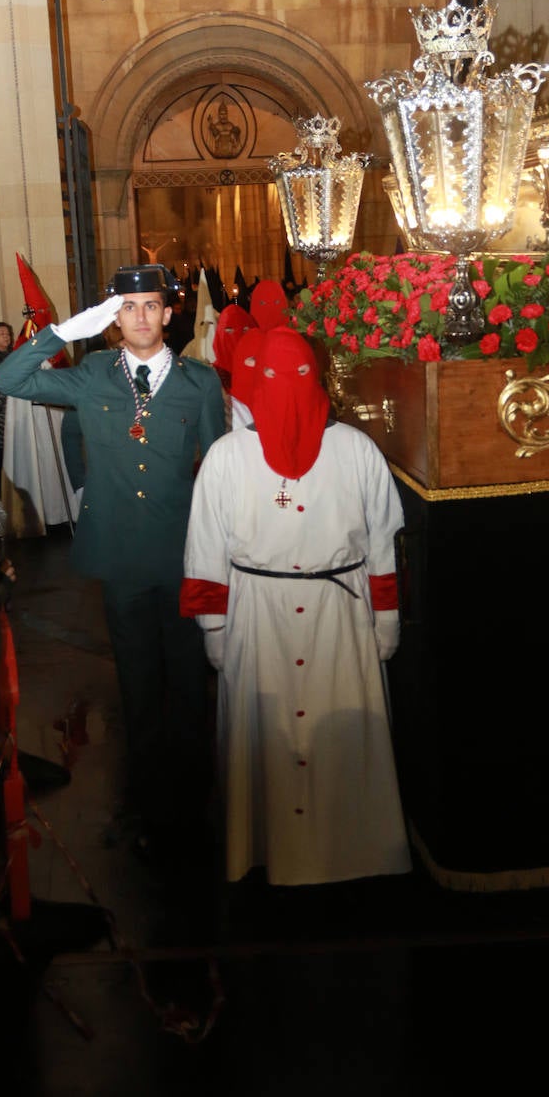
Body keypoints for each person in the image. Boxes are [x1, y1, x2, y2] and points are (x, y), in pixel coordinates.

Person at [0, 265, 226, 857]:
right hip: (121, 553)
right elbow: (9, 378)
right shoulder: (91, 374)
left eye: (151, 306)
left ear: (169, 315)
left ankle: (199, 791)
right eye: (128, 308)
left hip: (181, 549)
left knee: (188, 677)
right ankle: (146, 794)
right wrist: (66, 331)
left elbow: (216, 468)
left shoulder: (200, 383)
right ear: (113, 318)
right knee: (138, 677)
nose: (142, 317)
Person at [181, 327, 411, 886]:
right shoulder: (226, 456)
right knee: (268, 736)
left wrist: (387, 618)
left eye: (301, 375)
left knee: (340, 737)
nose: (289, 389)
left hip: (342, 615)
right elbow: (204, 547)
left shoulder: (356, 449)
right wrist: (214, 627)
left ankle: (354, 850)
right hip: (257, 614)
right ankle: (264, 849)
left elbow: (384, 543)